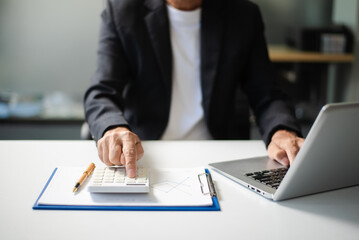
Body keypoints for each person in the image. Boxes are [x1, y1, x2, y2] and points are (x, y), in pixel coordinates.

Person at [84, 0, 304, 178]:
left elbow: (267, 92)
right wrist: (113, 129)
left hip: (221, 159)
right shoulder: (122, 11)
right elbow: (101, 92)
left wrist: (282, 131)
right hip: (146, 157)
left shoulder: (244, 15)